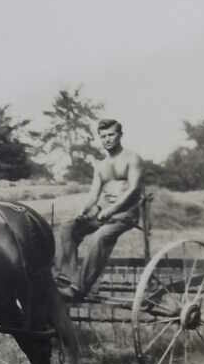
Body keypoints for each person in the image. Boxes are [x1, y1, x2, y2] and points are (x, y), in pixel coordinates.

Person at [55, 118, 144, 300]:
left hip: (125, 213)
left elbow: (134, 189)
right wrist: (82, 211)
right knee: (67, 228)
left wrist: (112, 209)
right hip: (102, 212)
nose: (107, 139)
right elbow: (93, 195)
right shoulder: (101, 165)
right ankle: (67, 279)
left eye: (111, 135)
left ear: (120, 135)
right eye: (103, 136)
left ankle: (79, 289)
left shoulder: (132, 159)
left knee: (99, 237)